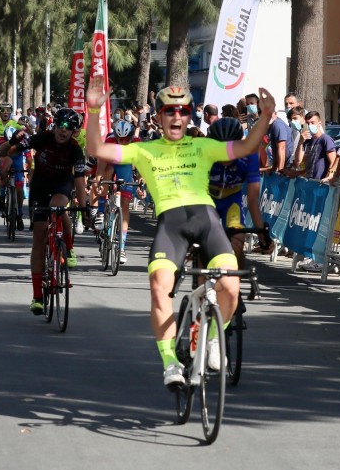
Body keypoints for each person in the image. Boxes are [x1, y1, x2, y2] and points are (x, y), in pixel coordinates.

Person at [86, 80, 274, 389]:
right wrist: (94, 110)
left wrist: (265, 116)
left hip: (206, 218)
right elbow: (96, 149)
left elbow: (245, 147)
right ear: (159, 117)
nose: (176, 117)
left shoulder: (203, 145)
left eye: (183, 111)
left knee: (230, 284)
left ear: (189, 117)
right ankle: (170, 363)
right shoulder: (143, 150)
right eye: (169, 111)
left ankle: (213, 340)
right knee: (159, 287)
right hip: (171, 226)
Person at [0, 108, 90, 315]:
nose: (64, 131)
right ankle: (37, 296)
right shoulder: (42, 139)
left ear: (74, 132)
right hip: (40, 185)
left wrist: (84, 209)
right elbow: (3, 153)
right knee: (39, 238)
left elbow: (79, 181)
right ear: (54, 126)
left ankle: (68, 246)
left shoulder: (75, 150)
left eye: (69, 128)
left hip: (62, 184)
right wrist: (13, 141)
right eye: (61, 126)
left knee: (59, 208)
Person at [207, 117, 271, 266]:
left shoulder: (249, 156)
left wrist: (261, 232)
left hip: (232, 202)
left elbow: (253, 199)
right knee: (202, 245)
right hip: (207, 201)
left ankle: (234, 283)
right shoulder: (202, 154)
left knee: (237, 246)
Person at [95, 118, 140, 262]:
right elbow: (101, 165)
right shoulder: (110, 141)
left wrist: (141, 181)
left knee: (125, 205)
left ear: (131, 137)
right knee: (107, 171)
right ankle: (101, 211)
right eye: (120, 138)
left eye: (126, 139)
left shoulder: (137, 143)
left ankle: (121, 248)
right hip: (110, 161)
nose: (123, 142)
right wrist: (99, 181)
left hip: (125, 165)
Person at [290, 111, 337, 182]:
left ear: (319, 123)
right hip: (309, 181)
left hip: (320, 181)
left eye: (312, 123)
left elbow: (333, 161)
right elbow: (298, 160)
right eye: (308, 123)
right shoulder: (307, 141)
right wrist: (300, 142)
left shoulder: (325, 139)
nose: (310, 125)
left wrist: (328, 177)